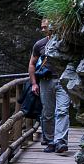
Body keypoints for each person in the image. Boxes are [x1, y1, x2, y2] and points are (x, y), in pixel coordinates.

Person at [30, 18, 69, 154]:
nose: (42, 29)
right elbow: (32, 64)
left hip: (63, 81)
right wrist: (34, 83)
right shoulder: (39, 44)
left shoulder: (65, 41)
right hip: (46, 82)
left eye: (44, 27)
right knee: (47, 113)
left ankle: (60, 142)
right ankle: (51, 141)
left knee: (62, 111)